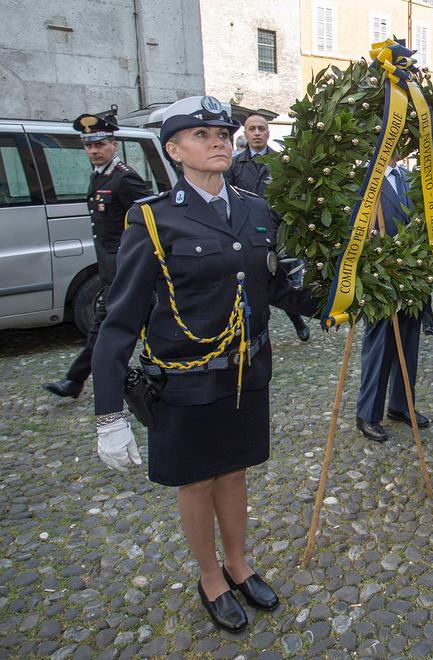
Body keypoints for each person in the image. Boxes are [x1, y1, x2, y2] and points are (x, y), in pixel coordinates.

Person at [90, 96, 316, 633]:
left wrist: (340, 298)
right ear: (174, 150)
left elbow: (276, 284)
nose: (219, 141)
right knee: (195, 482)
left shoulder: (256, 210)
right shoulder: (153, 217)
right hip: (184, 377)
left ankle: (239, 563)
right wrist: (108, 415)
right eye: (202, 135)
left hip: (244, 369)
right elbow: (119, 320)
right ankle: (210, 576)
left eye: (223, 133)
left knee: (234, 472)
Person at [43, 110, 152, 399]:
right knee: (113, 327)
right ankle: (79, 380)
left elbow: (149, 219)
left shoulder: (124, 179)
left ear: (113, 145)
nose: (93, 150)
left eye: (99, 144)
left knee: (109, 327)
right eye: (88, 145)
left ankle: (79, 380)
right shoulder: (99, 177)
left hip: (125, 268)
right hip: (111, 269)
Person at [356, 157, 429, 443]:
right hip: (380, 275)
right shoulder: (365, 178)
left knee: (409, 343)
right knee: (380, 345)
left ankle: (401, 404)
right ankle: (368, 413)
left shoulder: (408, 177)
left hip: (412, 274)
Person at [226, 112, 310, 342]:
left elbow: (293, 195)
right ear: (245, 133)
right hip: (245, 232)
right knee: (248, 282)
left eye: (261, 129)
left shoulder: (281, 161)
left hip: (276, 231)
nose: (256, 133)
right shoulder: (235, 164)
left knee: (282, 281)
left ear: (268, 133)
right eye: (252, 129)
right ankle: (254, 329)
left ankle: (297, 320)